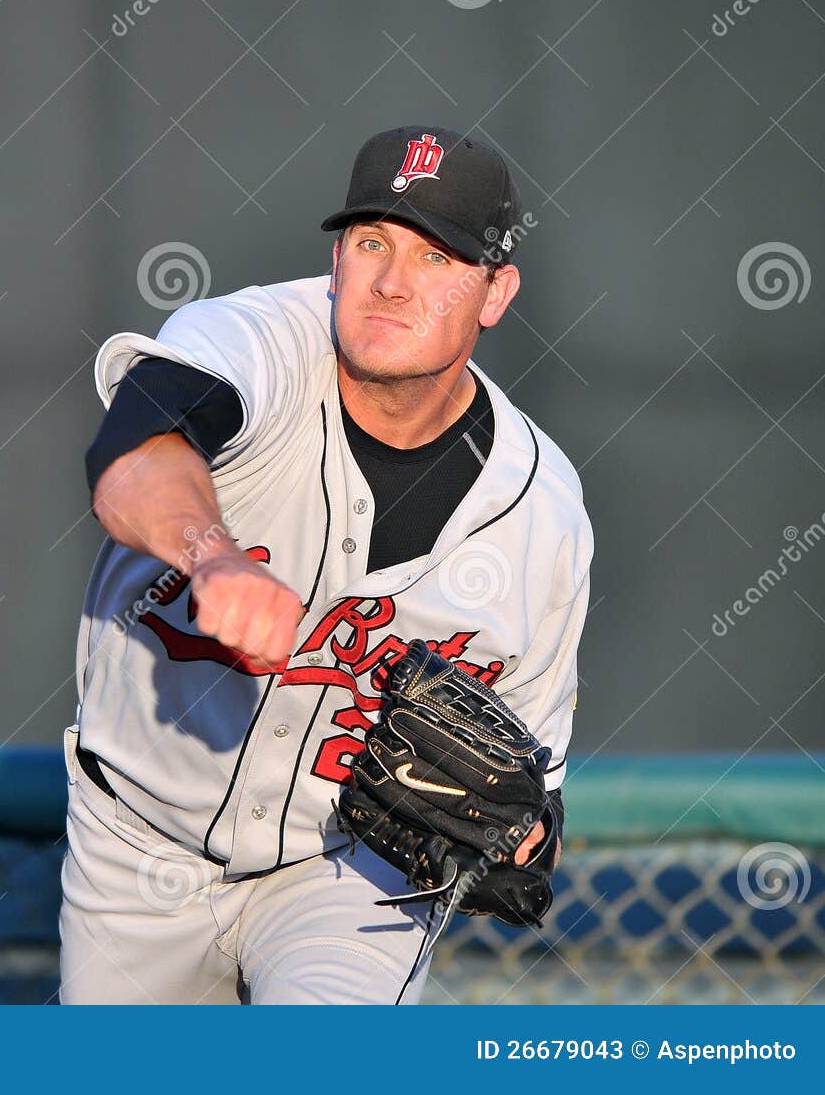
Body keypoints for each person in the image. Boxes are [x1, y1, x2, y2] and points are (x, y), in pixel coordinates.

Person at [59, 126, 592, 1004]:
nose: (392, 281)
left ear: (496, 293)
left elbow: (539, 812)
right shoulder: (250, 341)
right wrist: (211, 554)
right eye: (372, 242)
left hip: (347, 876)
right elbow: (130, 456)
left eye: (438, 257)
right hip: (137, 846)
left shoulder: (542, 519)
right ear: (338, 260)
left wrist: (522, 836)